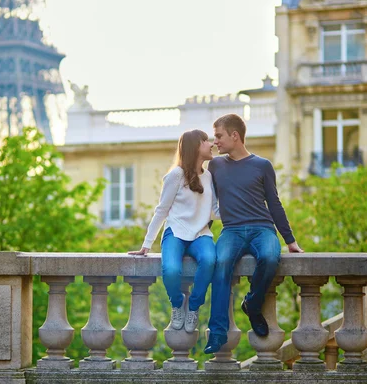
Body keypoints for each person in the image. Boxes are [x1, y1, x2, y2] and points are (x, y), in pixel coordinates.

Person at [203, 113, 303, 354]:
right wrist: (198, 234)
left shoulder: (262, 165)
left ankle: (253, 304)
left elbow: (275, 204)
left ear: (234, 135)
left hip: (262, 228)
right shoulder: (215, 165)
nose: (215, 141)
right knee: (222, 262)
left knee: (270, 257)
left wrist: (290, 240)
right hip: (232, 230)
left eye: (219, 136)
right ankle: (217, 332)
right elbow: (207, 201)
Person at [129, 129, 219, 333]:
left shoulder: (209, 177)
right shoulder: (175, 175)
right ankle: (177, 304)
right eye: (206, 141)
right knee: (170, 270)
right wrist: (146, 244)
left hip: (200, 234)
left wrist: (242, 208)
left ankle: (194, 306)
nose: (211, 144)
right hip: (176, 232)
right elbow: (161, 210)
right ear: (196, 146)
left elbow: (215, 211)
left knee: (209, 260)